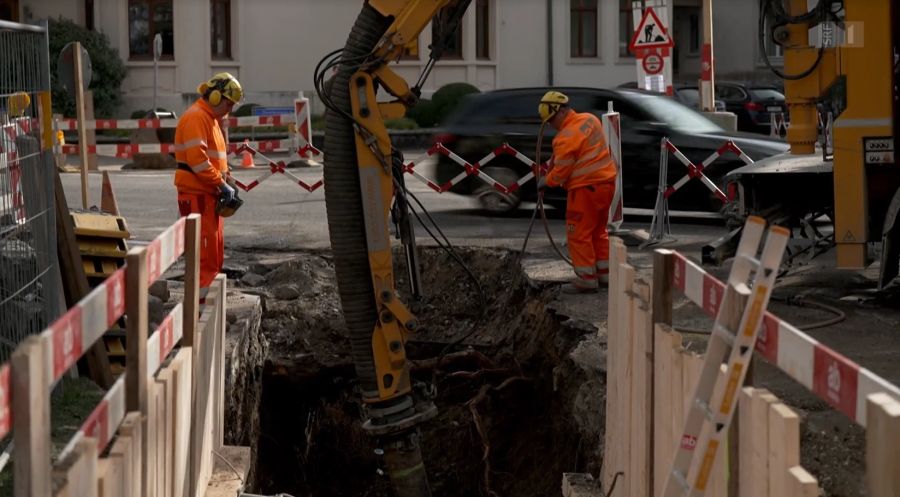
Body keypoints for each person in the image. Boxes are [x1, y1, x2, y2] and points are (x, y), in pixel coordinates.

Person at [537, 90, 617, 294]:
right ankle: (605, 274)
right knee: (599, 231)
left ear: (562, 111)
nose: (551, 124)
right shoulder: (590, 120)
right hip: (606, 184)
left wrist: (546, 181)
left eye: (552, 119)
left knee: (578, 233)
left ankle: (587, 279)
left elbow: (562, 171)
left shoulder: (565, 137)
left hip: (584, 190)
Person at [174, 72, 243, 300]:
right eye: (228, 103)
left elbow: (215, 160)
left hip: (208, 196)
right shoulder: (197, 118)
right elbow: (198, 161)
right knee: (204, 257)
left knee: (213, 255)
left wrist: (227, 179)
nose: (230, 110)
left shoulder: (211, 120)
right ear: (214, 97)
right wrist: (221, 183)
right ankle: (200, 310)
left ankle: (207, 308)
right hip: (198, 197)